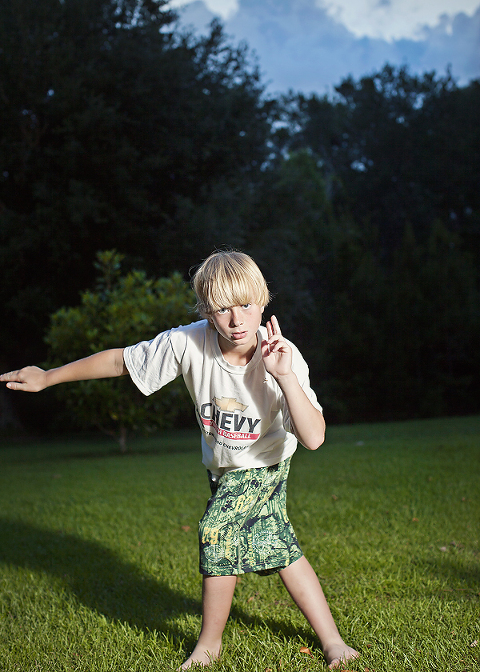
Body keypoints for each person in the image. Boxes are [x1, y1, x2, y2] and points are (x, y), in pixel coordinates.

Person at [0, 250, 359, 670]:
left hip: (266, 464)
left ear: (263, 302)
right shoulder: (186, 342)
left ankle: (208, 646)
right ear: (206, 312)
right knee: (279, 547)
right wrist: (49, 376)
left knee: (216, 531)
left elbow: (314, 438)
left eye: (246, 305)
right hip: (223, 468)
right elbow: (120, 361)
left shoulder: (283, 355)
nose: (237, 320)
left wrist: (284, 375)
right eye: (223, 309)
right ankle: (333, 642)